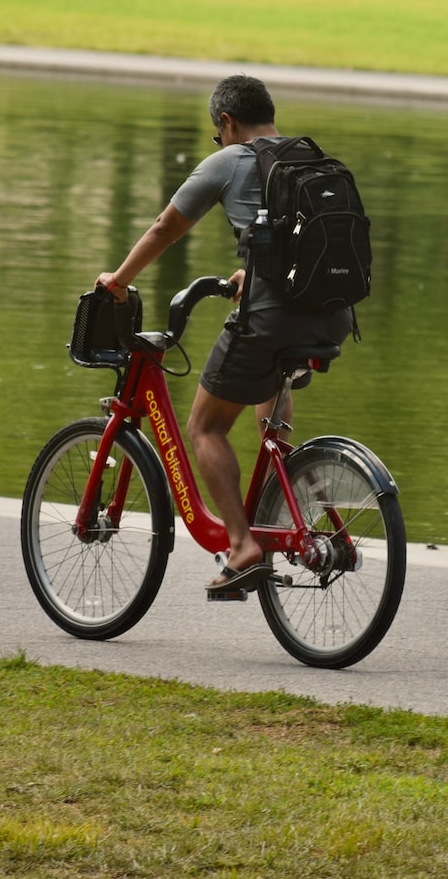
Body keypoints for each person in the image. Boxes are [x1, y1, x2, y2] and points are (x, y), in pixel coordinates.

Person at [94, 75, 354, 591]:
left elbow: (165, 227)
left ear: (227, 123)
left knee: (205, 427)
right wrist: (252, 274)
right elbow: (297, 247)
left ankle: (242, 547)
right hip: (331, 315)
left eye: (219, 133)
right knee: (271, 429)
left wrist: (118, 282)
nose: (220, 141)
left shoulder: (228, 161)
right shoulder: (307, 158)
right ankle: (310, 521)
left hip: (272, 319)